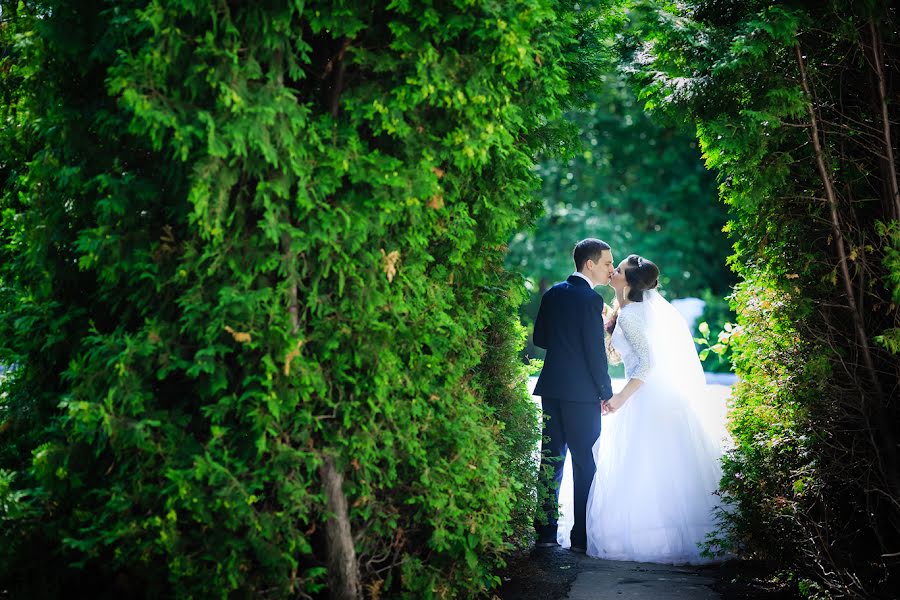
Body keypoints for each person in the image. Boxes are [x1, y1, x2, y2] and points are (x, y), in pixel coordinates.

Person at [561, 254, 729, 564]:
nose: (612, 271)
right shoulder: (628, 311)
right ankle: (655, 532)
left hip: (645, 397)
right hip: (648, 396)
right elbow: (621, 355)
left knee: (644, 465)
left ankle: (642, 535)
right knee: (655, 467)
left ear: (629, 282)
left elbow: (646, 364)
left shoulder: (631, 316)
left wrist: (620, 398)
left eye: (619, 269)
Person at [532, 238, 615, 553]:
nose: (611, 268)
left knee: (550, 459)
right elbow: (596, 354)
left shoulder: (553, 293)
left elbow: (540, 338)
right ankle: (581, 536)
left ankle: (545, 532)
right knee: (585, 464)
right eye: (607, 263)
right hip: (581, 395)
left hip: (552, 388)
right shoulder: (590, 300)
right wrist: (606, 392)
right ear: (590, 264)